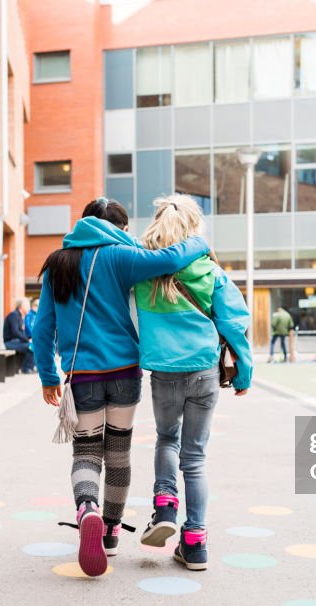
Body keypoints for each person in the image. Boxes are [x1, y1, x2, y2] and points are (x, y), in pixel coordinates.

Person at [31, 197, 210, 577]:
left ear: (83, 223)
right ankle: (110, 532)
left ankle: (86, 510)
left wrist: (48, 376)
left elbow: (42, 328)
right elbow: (171, 258)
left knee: (86, 451)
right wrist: (199, 241)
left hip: (83, 376)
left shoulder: (58, 263)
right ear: (120, 228)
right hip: (125, 372)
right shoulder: (122, 255)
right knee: (118, 453)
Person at [134, 195, 253, 571]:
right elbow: (235, 324)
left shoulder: (142, 272)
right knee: (196, 457)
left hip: (164, 373)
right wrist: (244, 374)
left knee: (166, 438)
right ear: (193, 229)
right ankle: (196, 543)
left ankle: (165, 505)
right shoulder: (211, 273)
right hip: (203, 373)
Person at [2, 298, 32, 373]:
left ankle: (27, 367)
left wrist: (28, 339)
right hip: (10, 342)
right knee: (31, 347)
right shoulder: (13, 315)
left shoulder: (20, 316)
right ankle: (26, 369)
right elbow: (15, 332)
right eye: (27, 306)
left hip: (17, 342)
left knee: (33, 345)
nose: (29, 308)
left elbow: (21, 333)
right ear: (21, 306)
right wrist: (27, 340)